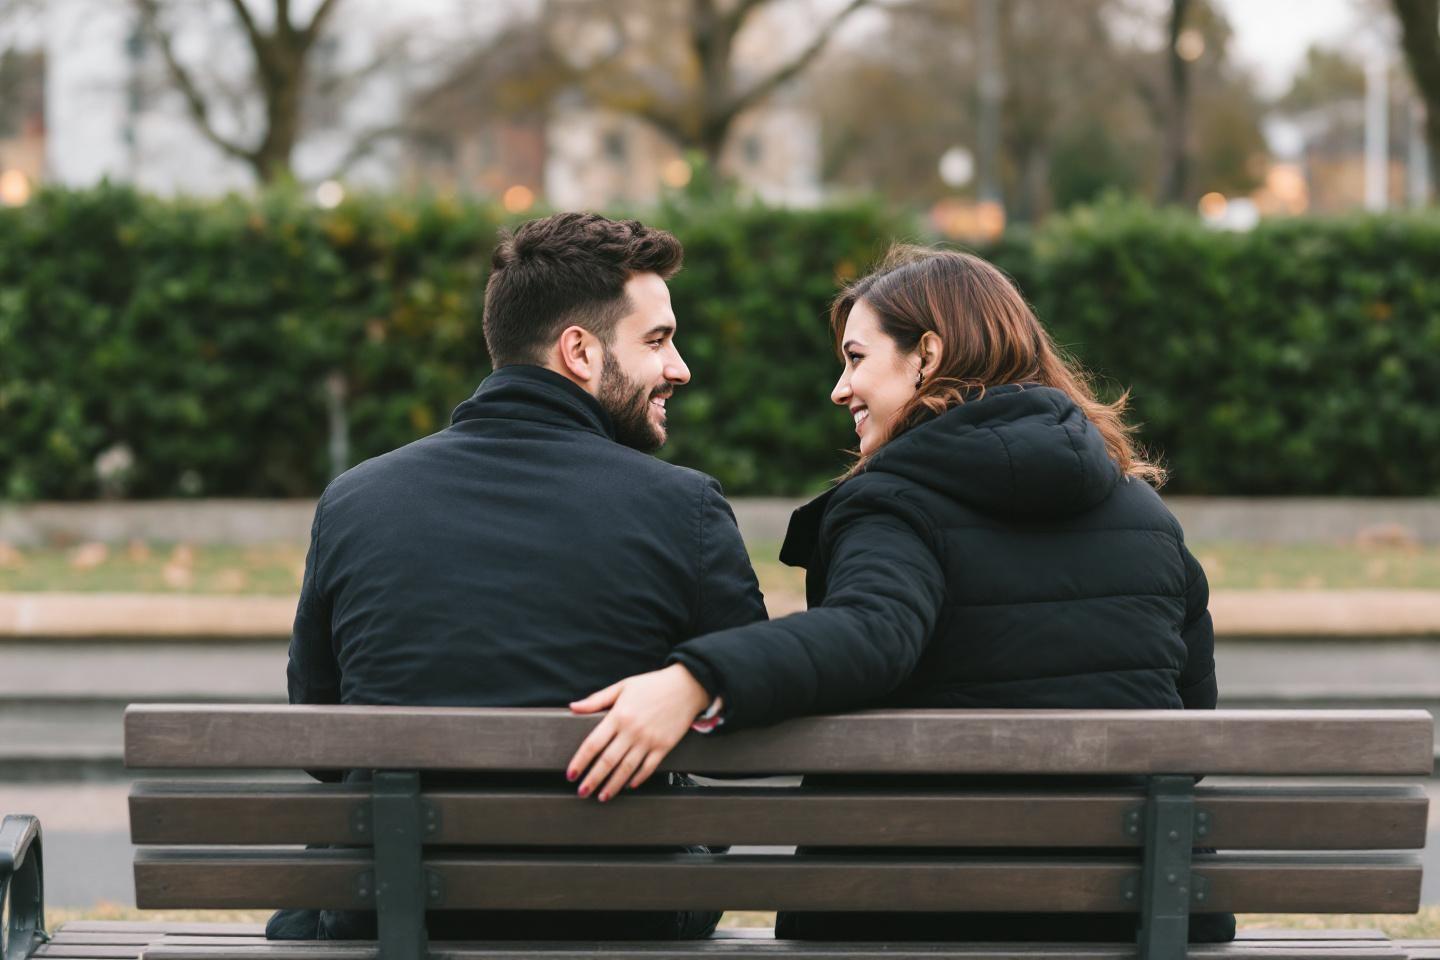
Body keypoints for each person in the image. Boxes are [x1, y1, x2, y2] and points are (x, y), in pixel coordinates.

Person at [565, 244, 1232, 942]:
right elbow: (1192, 712)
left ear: (928, 356)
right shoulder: (1145, 514)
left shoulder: (895, 504)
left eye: (856, 358)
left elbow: (872, 635)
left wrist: (696, 678)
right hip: (1140, 911)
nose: (839, 389)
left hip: (924, 910)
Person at [270, 212, 767, 942]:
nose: (679, 367)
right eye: (657, 341)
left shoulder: (356, 499)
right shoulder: (683, 508)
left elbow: (322, 743)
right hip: (621, 915)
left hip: (396, 908)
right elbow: (747, 737)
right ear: (580, 352)